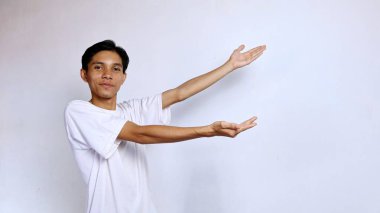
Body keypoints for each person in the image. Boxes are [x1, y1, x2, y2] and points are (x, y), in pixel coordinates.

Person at [64, 40, 266, 213]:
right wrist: (207, 131)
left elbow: (179, 94)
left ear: (123, 77)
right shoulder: (79, 111)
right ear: (84, 74)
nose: (108, 74)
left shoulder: (131, 110)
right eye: (99, 67)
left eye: (115, 68)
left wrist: (229, 65)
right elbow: (140, 134)